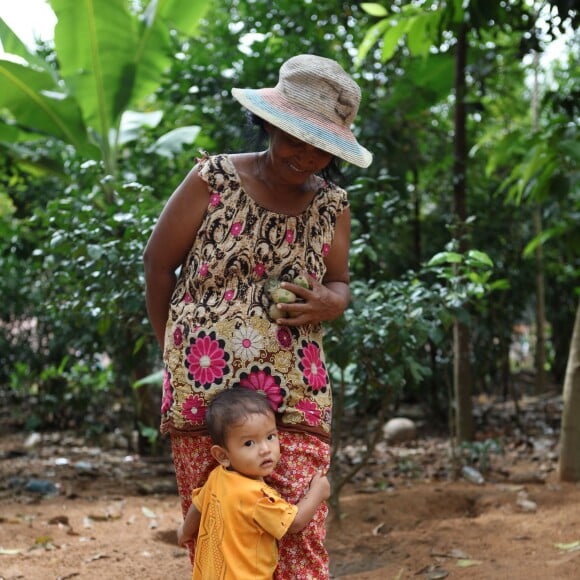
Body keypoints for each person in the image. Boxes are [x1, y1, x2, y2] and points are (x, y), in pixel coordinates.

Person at [143, 53, 372, 579]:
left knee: (300, 537)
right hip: (207, 388)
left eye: (321, 149)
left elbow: (339, 283)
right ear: (269, 123)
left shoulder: (333, 205)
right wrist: (173, 353)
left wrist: (334, 301)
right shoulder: (215, 178)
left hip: (295, 390)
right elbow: (158, 265)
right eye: (295, 139)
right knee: (219, 533)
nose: (306, 157)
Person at [177, 387, 331, 579]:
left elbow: (197, 507)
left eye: (270, 436)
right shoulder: (257, 496)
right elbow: (294, 523)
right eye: (249, 443)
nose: (265, 449)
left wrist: (184, 531)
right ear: (222, 455)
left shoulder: (217, 477)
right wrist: (318, 491)